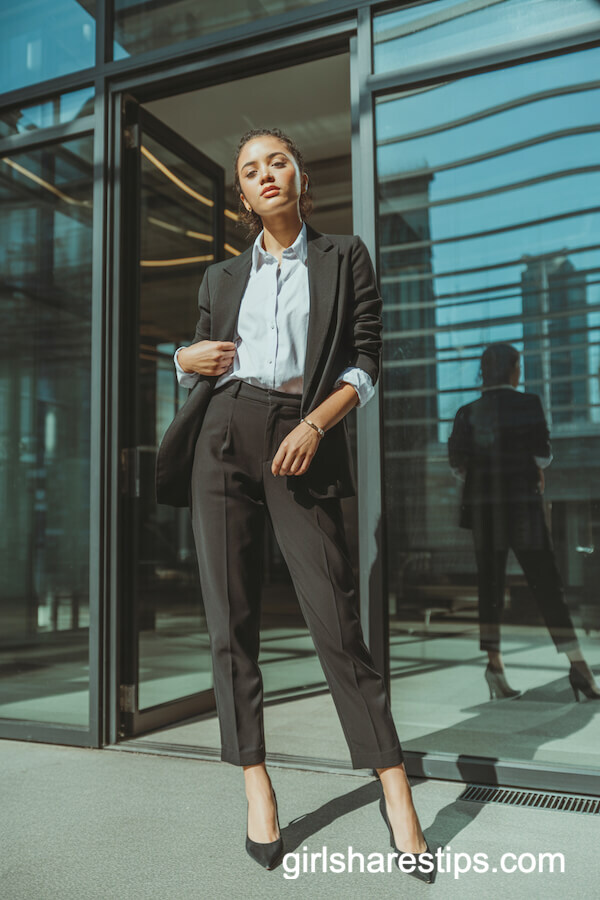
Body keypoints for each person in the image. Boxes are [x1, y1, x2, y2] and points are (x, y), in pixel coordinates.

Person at [155, 128, 435, 881]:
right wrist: (181, 359)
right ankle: (256, 783)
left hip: (300, 431)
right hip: (223, 434)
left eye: (276, 160)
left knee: (335, 618)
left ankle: (394, 789)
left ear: (299, 176)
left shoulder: (345, 257)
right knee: (230, 620)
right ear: (242, 197)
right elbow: (198, 358)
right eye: (249, 169)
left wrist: (316, 422)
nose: (265, 174)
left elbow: (367, 359)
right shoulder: (219, 278)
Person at [448, 342, 600, 702]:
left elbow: (458, 466)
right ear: (511, 370)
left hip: (485, 510)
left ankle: (495, 667)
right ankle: (578, 666)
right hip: (521, 508)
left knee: (490, 588)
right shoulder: (527, 404)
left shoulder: (466, 412)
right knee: (547, 585)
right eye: (519, 366)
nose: (521, 372)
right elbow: (544, 455)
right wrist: (528, 467)